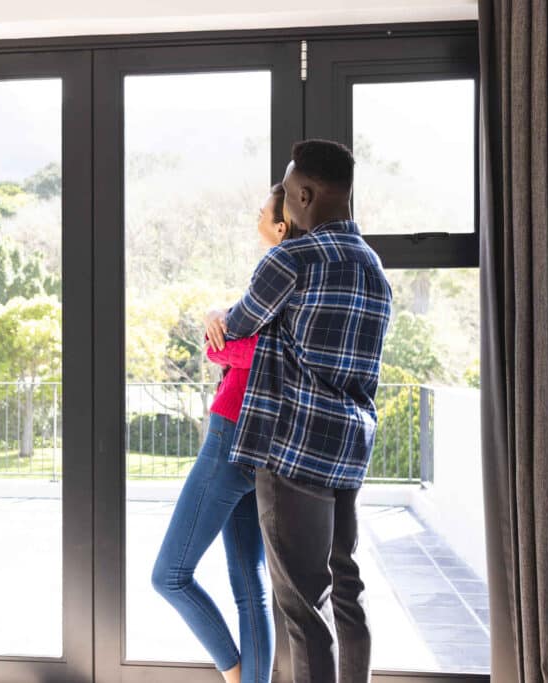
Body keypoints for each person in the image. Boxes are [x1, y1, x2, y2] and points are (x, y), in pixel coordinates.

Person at [205, 140, 393, 683]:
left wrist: (219, 311)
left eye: (287, 194)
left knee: (302, 610)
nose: (284, 205)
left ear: (304, 195)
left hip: (295, 452)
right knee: (346, 593)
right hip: (348, 454)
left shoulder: (294, 257)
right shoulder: (372, 267)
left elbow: (236, 327)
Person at [151, 184, 300, 683]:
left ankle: (235, 672)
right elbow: (236, 342)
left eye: (263, 211)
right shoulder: (286, 279)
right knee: (248, 585)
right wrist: (221, 320)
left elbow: (250, 352)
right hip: (257, 441)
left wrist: (220, 330)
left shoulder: (281, 274)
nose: (256, 214)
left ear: (280, 226)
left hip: (232, 435)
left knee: (169, 576)